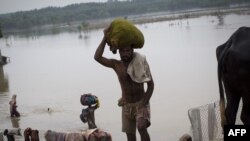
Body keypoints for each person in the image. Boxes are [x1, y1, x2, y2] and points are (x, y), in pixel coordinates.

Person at [94, 26, 154, 141]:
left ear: (132, 51)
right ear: (119, 52)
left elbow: (151, 85)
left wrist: (143, 105)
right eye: (122, 51)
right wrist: (105, 37)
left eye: (127, 51)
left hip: (141, 102)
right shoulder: (116, 65)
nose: (125, 53)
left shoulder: (140, 62)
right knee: (130, 136)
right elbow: (97, 57)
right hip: (126, 106)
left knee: (141, 127)